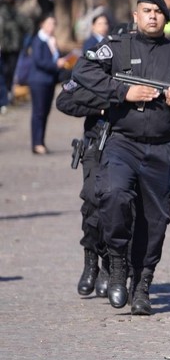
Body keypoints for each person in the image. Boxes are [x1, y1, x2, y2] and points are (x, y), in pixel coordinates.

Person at [74, 0, 170, 315]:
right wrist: (123, 92)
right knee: (113, 195)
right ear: (135, 16)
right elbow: (83, 71)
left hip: (162, 148)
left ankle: (143, 284)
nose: (152, 16)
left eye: (158, 12)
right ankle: (117, 264)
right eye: (146, 10)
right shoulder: (116, 48)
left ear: (166, 18)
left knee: (155, 221)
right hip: (123, 142)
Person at [55, 73, 112, 298]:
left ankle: (110, 264)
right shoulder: (95, 68)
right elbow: (64, 100)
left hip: (126, 146)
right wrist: (101, 107)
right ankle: (91, 261)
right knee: (91, 203)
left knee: (118, 208)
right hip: (95, 146)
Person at [28, 14, 66, 154]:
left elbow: (57, 56)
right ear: (42, 24)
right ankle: (36, 143)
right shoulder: (38, 40)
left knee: (45, 112)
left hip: (49, 80)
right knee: (38, 112)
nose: (52, 27)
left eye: (53, 24)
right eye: (49, 24)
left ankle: (41, 141)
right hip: (38, 81)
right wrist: (56, 64)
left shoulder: (52, 40)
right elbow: (39, 61)